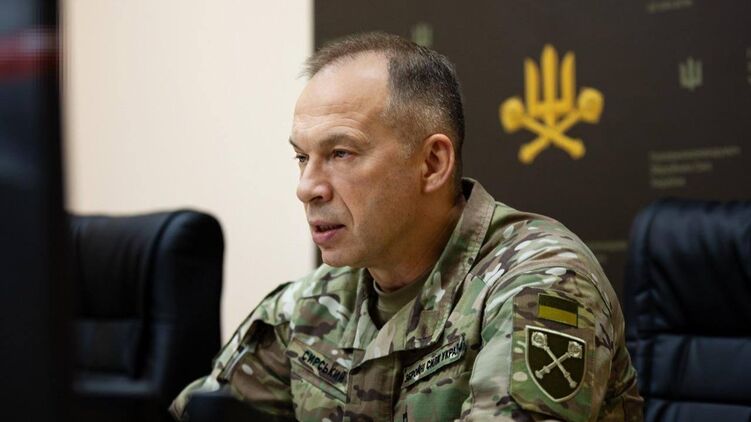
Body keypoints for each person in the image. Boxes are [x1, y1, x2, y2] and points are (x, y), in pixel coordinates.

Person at [170, 32, 643, 422]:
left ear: (432, 163)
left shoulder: (542, 281)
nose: (307, 187)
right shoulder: (310, 305)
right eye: (301, 157)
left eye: (340, 153)